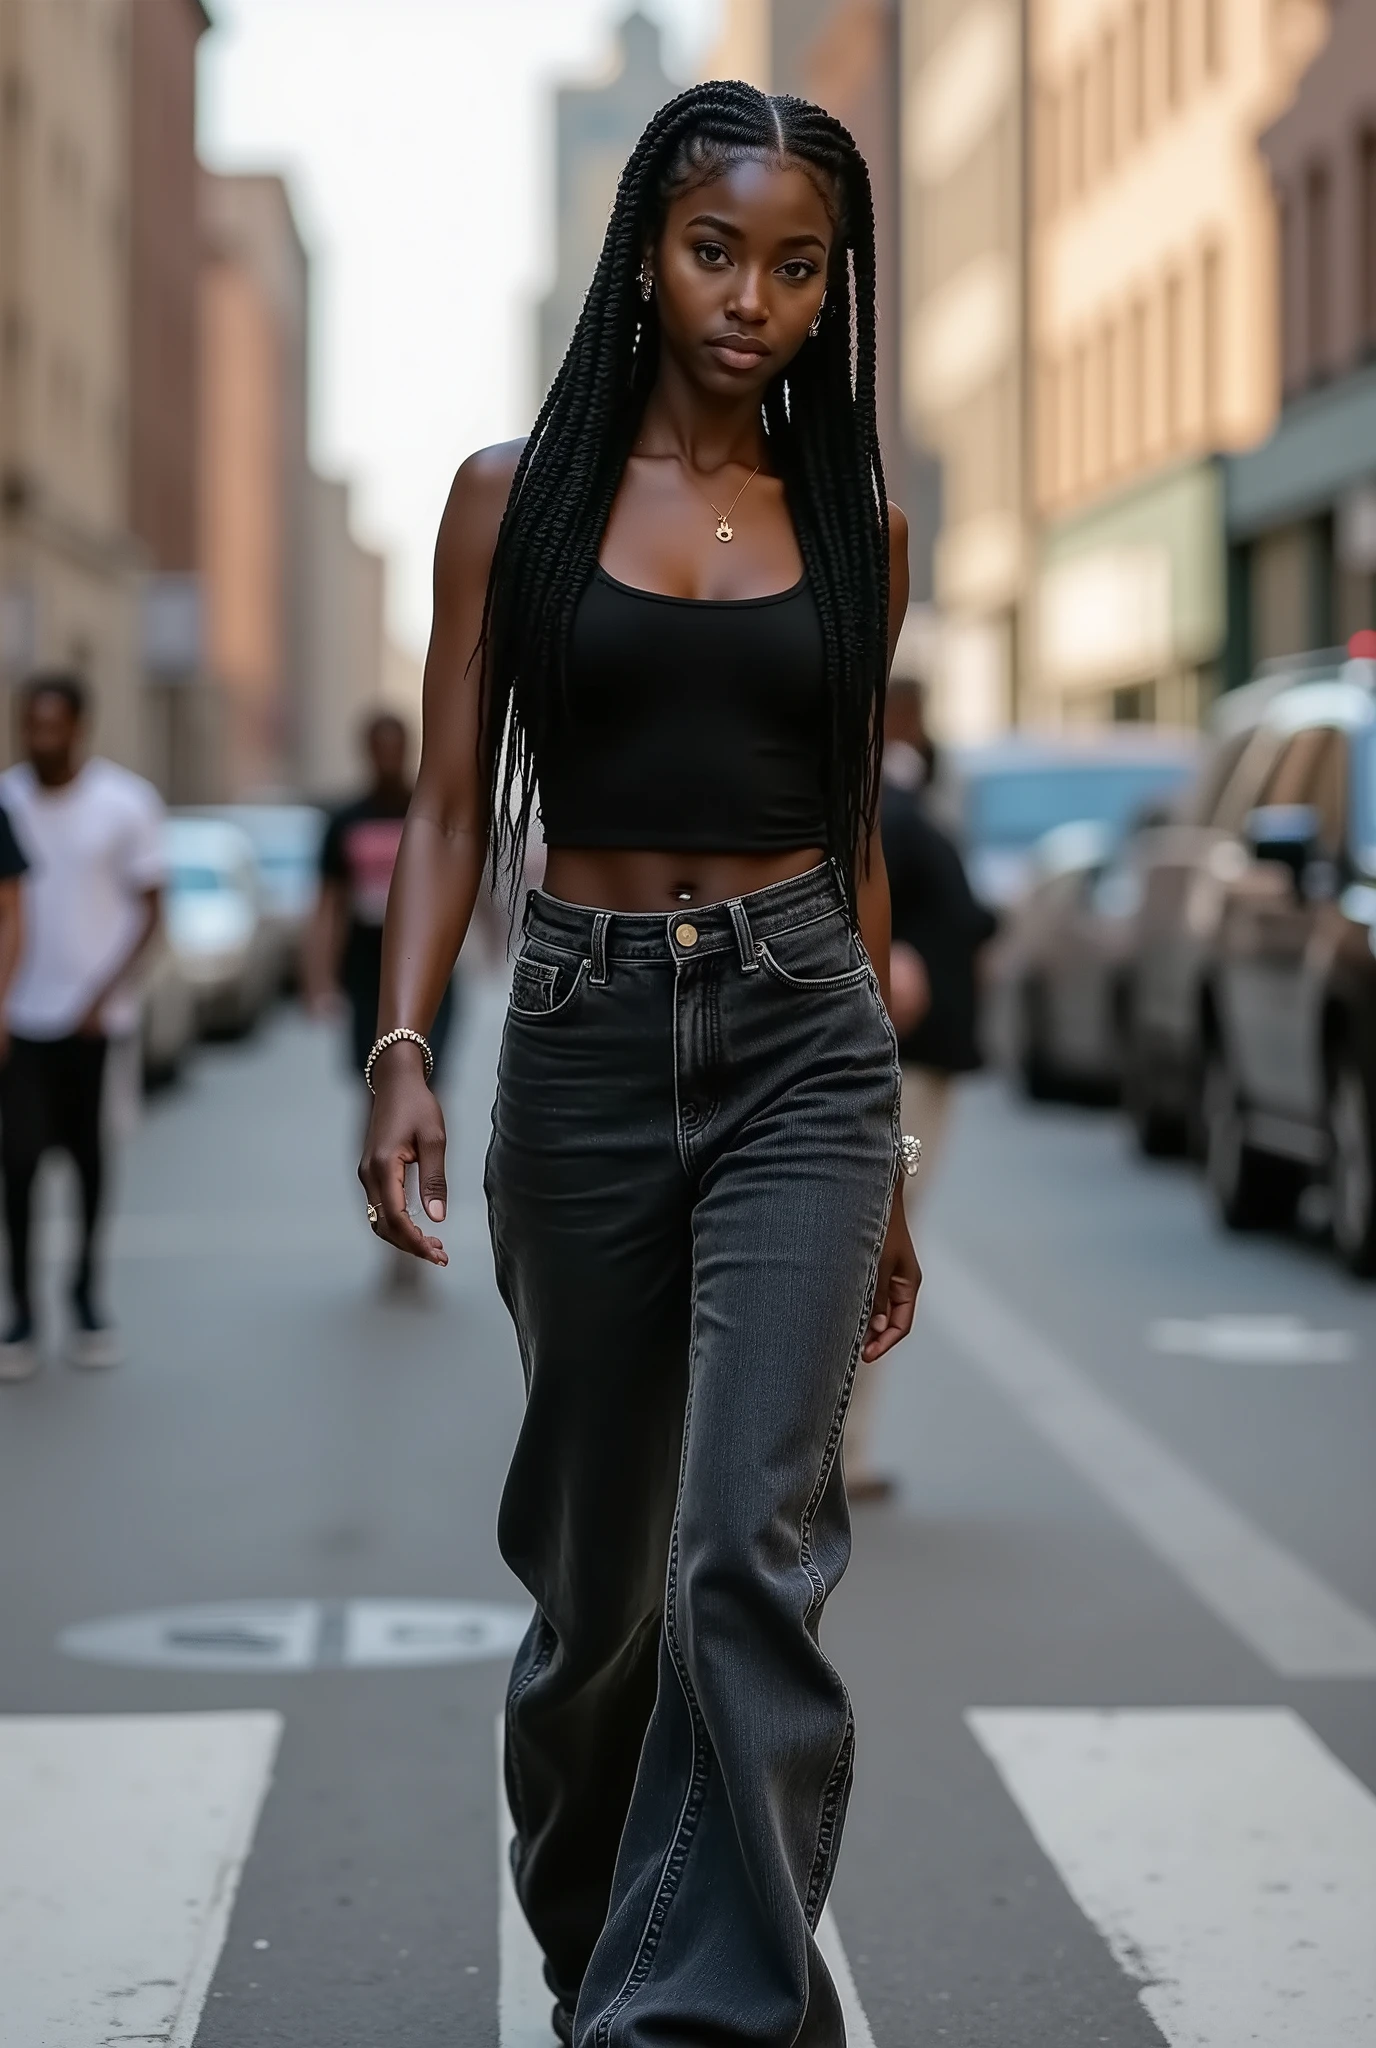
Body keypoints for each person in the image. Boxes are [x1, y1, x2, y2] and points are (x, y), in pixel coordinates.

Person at [360, 84, 921, 2048]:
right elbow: (447, 805)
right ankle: (605, 1944)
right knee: (597, 1597)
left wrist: (896, 1178)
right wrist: (408, 1038)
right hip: (585, 1035)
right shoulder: (511, 499)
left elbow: (849, 835)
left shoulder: (856, 524)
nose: (751, 298)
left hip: (801, 1047)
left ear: (832, 286)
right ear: (641, 249)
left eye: (795, 266)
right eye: (714, 252)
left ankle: (711, 2016)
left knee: (743, 1550)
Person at [844, 675, 996, 1497]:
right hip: (904, 1064)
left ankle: (838, 1448)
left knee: (873, 1238)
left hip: (912, 1060)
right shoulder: (884, 812)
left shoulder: (890, 811)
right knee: (875, 1236)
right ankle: (840, 1449)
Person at [0, 674, 165, 1378]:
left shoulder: (124, 803)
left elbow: (153, 907)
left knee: (90, 1159)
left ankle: (87, 1294)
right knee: (19, 1163)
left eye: (53, 725)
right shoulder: (5, 798)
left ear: (79, 726)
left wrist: (107, 993)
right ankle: (24, 1312)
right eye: (30, 725)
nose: (41, 738)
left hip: (98, 1022)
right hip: (18, 1018)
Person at [305, 710, 456, 1086]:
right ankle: (378, 1146)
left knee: (424, 1076)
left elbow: (455, 882)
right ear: (367, 752)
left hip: (426, 962)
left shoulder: (426, 814)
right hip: (365, 966)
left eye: (395, 749)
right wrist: (318, 977)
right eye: (379, 750)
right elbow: (329, 904)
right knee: (374, 1080)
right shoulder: (346, 821)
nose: (387, 758)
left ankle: (424, 1144)